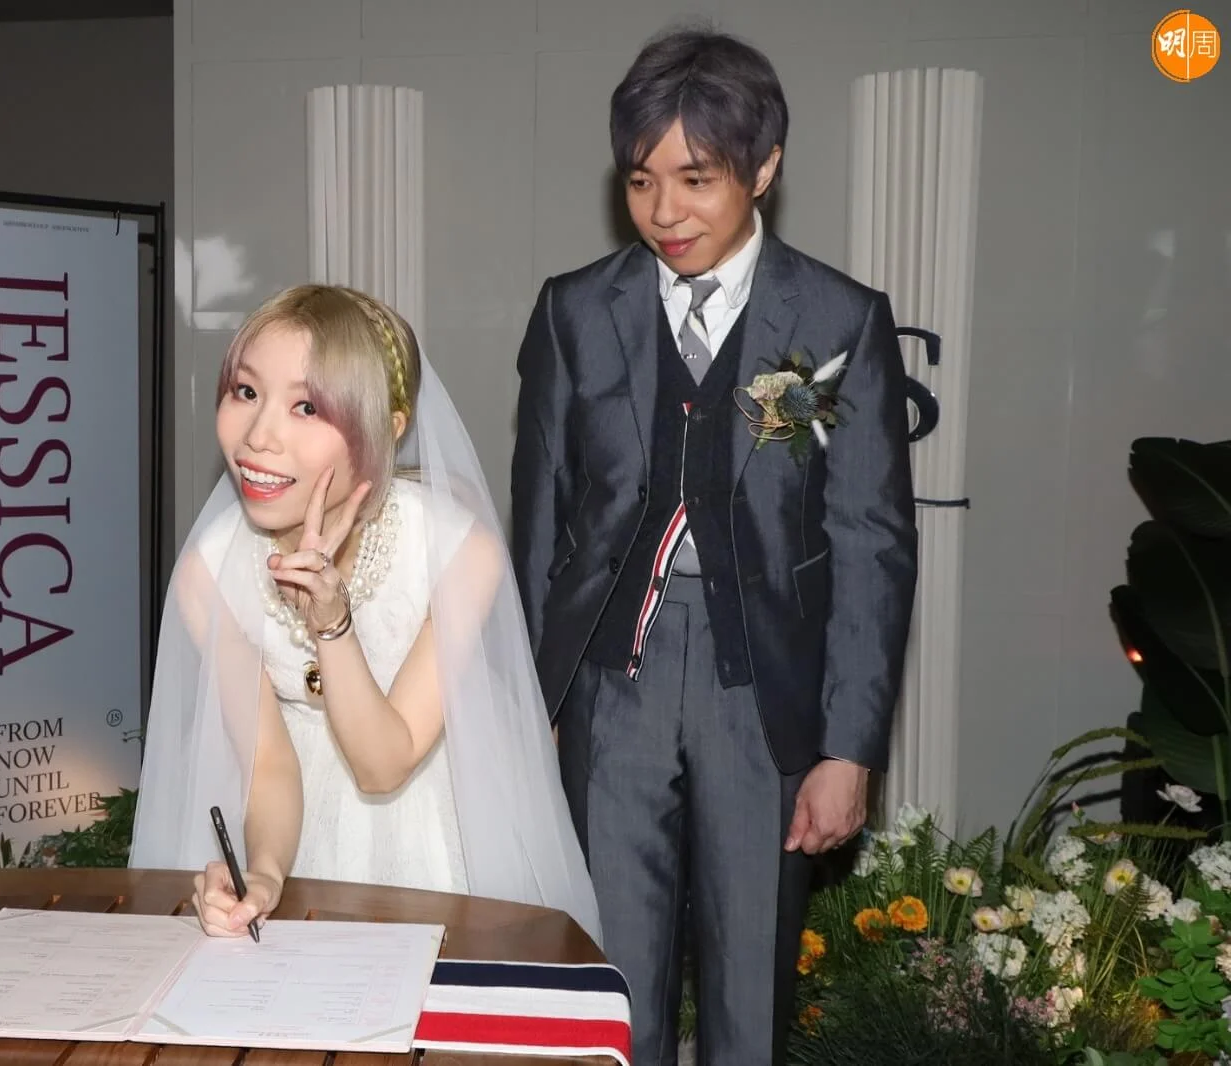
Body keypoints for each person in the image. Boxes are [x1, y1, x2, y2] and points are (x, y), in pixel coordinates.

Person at [510, 28, 919, 1066]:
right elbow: (540, 518)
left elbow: (869, 541)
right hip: (610, 682)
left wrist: (849, 748)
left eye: (695, 179)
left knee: (748, 993)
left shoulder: (836, 319)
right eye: (640, 179)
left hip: (764, 693)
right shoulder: (572, 310)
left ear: (763, 169)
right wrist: (528, 705)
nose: (664, 211)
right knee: (610, 993)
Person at [130, 283, 601, 947]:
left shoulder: (454, 550)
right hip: (294, 831)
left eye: (305, 406)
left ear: (389, 425)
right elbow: (268, 763)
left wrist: (331, 624)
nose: (258, 436)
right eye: (245, 391)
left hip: (435, 832)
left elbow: (384, 766)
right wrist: (264, 874)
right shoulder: (210, 573)